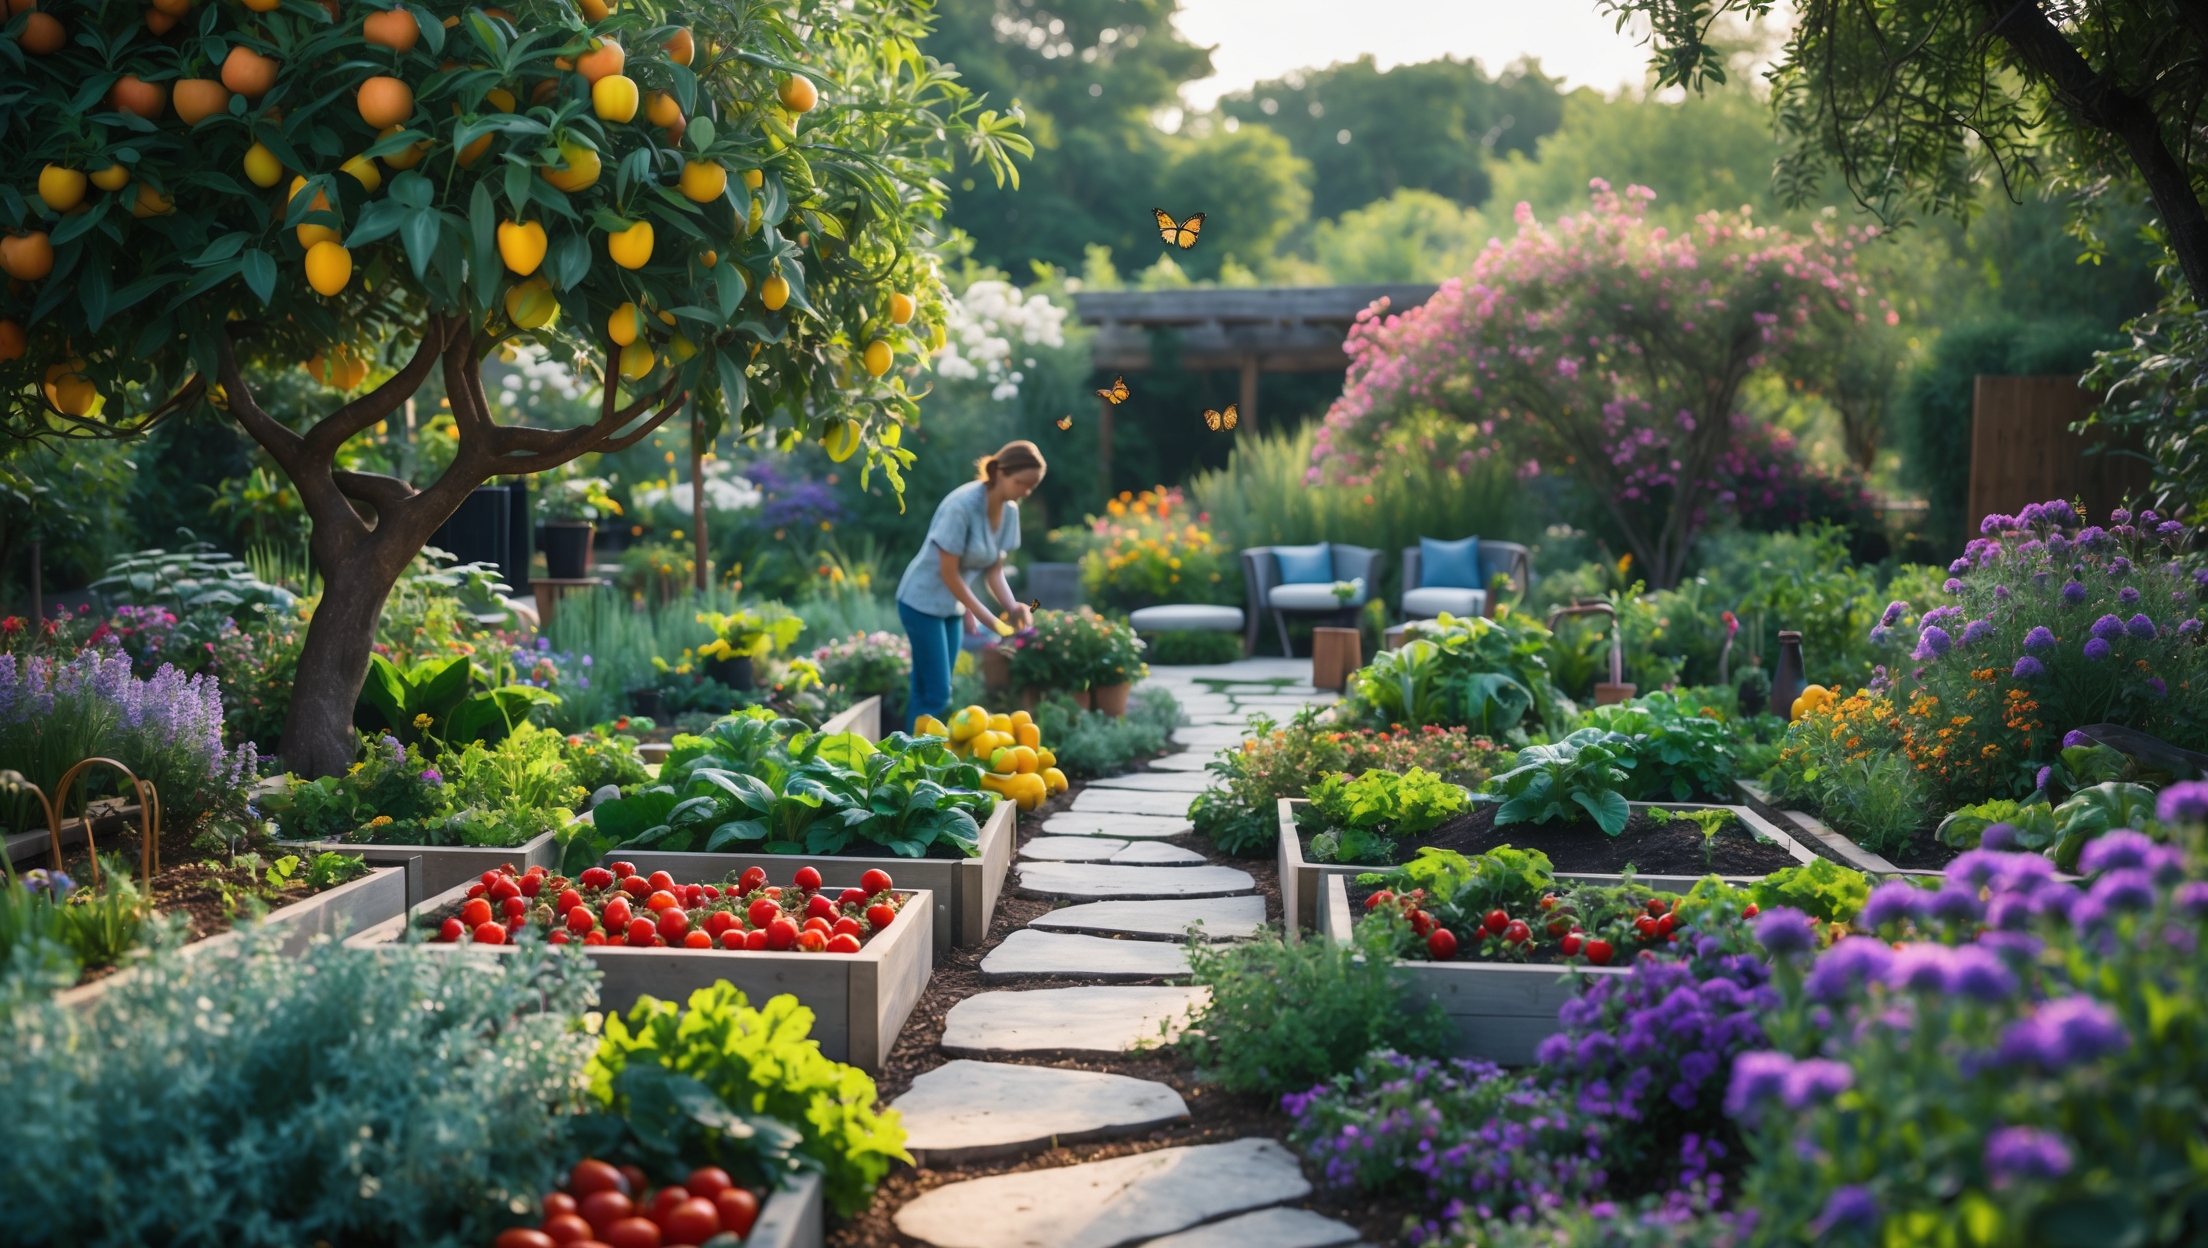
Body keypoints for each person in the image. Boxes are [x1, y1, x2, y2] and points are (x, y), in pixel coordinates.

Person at [894, 441, 1045, 731]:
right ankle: (918, 761)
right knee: (937, 695)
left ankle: (908, 761)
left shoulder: (1010, 512)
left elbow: (994, 569)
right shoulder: (961, 506)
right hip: (919, 602)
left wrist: (1012, 607)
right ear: (1000, 473)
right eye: (1020, 483)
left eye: (1031, 486)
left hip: (951, 605)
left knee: (928, 690)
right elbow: (949, 573)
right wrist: (987, 618)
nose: (1025, 491)